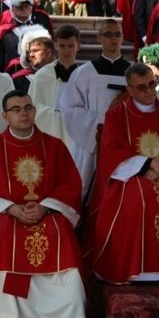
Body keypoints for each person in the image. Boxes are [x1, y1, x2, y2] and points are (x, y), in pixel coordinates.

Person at [84, 63, 159, 284]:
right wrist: (147, 164)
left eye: (152, 84)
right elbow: (111, 153)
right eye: (141, 87)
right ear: (129, 90)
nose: (149, 91)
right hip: (130, 177)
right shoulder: (116, 116)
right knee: (135, 195)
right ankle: (134, 268)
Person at [0, 90, 85, 317]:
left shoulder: (55, 146)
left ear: (35, 111)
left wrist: (45, 206)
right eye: (16, 109)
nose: (23, 113)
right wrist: (10, 207)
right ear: (4, 115)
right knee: (6, 232)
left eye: (28, 108)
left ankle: (67, 307)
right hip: (8, 218)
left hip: (49, 214)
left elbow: (71, 184)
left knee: (60, 232)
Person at [60, 19, 131, 201]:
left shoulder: (133, 73)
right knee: (85, 189)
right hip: (90, 142)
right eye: (108, 34)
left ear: (122, 38)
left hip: (124, 141)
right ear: (99, 38)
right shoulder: (84, 73)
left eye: (117, 34)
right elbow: (69, 108)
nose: (113, 39)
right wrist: (102, 121)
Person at [28, 25, 80, 149]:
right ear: (55, 46)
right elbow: (32, 107)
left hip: (74, 136)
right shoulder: (42, 77)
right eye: (62, 46)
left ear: (78, 46)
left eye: (71, 46)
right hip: (48, 133)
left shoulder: (84, 77)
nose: (66, 51)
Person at [11, 25, 54, 92]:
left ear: (48, 52)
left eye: (36, 51)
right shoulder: (19, 79)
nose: (31, 55)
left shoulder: (62, 74)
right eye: (29, 52)